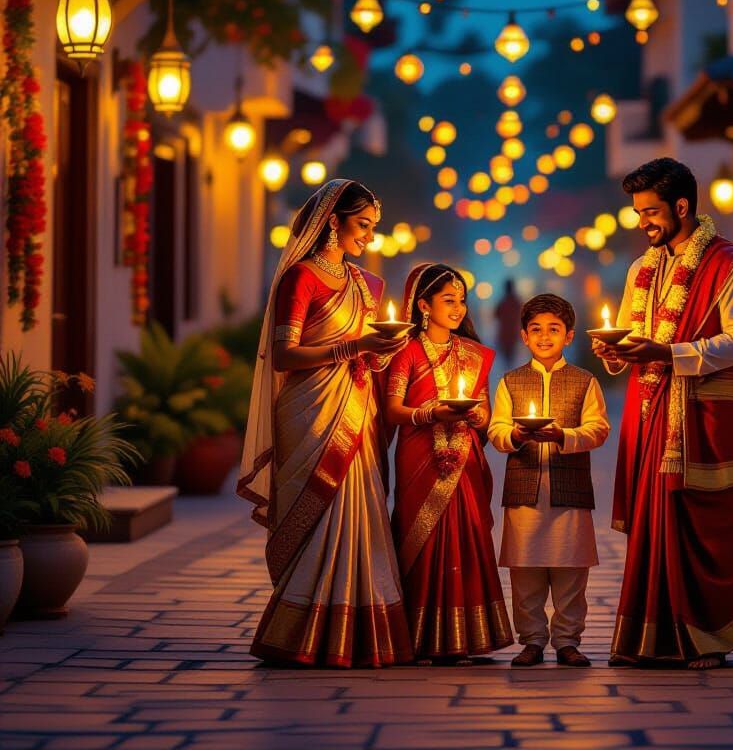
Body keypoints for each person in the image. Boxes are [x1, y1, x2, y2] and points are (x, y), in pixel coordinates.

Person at [592, 157, 733, 671]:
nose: (642, 222)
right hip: (650, 414)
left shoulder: (729, 266)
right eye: (638, 212)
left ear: (683, 206)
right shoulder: (641, 269)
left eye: (650, 212)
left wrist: (670, 356)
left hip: (705, 420)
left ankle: (706, 640)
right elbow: (630, 331)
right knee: (655, 524)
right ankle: (651, 639)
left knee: (700, 524)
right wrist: (616, 352)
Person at [238, 179, 413, 668]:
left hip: (356, 410)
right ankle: (300, 631)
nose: (370, 238)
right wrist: (354, 348)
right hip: (310, 412)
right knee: (320, 511)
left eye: (374, 228)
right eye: (363, 226)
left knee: (361, 512)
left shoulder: (366, 284)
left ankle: (361, 626)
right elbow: (284, 355)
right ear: (332, 221)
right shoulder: (301, 278)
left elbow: (368, 360)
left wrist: (378, 356)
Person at [385, 263, 513, 664]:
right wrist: (429, 414)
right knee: (420, 535)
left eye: (461, 301)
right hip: (420, 455)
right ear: (423, 304)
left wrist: (478, 419)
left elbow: (486, 414)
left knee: (467, 534)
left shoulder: (475, 354)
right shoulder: (405, 351)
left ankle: (469, 636)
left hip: (465, 459)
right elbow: (391, 410)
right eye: (448, 300)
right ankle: (416, 635)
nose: (458, 308)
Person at [488, 293, 609, 669]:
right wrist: (516, 438)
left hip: (569, 492)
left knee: (571, 574)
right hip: (524, 492)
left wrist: (564, 436)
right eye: (536, 330)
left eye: (553, 330)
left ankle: (568, 642)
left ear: (569, 336)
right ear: (523, 336)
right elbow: (496, 430)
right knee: (526, 576)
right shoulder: (510, 381)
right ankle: (533, 641)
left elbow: (599, 428)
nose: (544, 337)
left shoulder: (584, 381)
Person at [494, 279, 523, 369]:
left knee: (507, 357)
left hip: (504, 334)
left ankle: (508, 369)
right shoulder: (517, 302)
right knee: (512, 356)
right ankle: (510, 369)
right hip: (514, 333)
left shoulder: (502, 302)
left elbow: (496, 315)